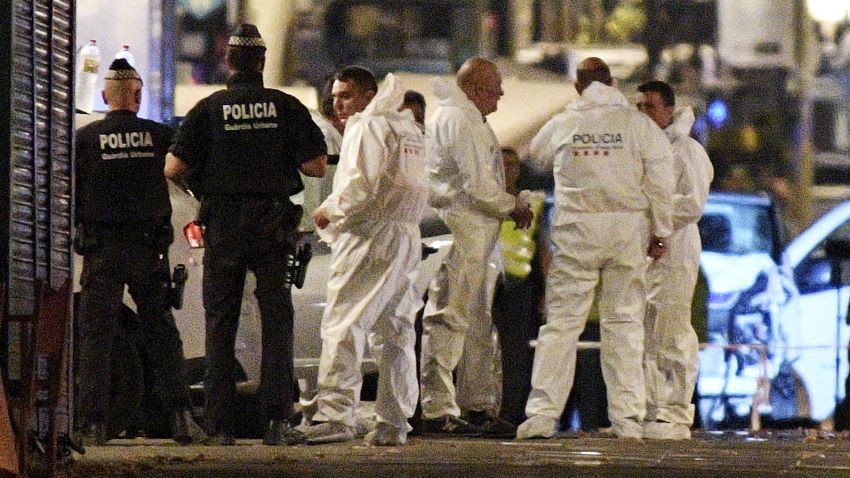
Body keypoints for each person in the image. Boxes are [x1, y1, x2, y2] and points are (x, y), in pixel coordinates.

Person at [164, 24, 328, 446]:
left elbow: (172, 170)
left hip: (223, 223)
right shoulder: (286, 107)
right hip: (272, 224)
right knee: (277, 320)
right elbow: (316, 166)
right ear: (262, 61)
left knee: (221, 322)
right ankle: (277, 421)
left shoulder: (208, 109)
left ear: (229, 61)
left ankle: (220, 426)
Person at [516, 57, 674, 440]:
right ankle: (627, 419)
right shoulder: (637, 126)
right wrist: (661, 230)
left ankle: (541, 415)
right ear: (613, 84)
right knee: (624, 324)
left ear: (577, 87)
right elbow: (661, 179)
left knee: (562, 325)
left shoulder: (565, 122)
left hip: (576, 236)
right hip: (626, 233)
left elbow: (535, 154)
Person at [75, 58, 204, 446]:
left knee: (96, 336)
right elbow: (184, 176)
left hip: (102, 250)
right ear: (137, 95)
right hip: (148, 249)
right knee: (162, 333)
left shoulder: (85, 139)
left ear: (103, 97)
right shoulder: (159, 135)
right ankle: (181, 418)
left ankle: (93, 423)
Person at [304, 66, 429, 446]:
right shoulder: (407, 127)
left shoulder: (368, 125)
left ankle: (335, 414)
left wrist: (329, 210)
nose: (339, 104)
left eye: (347, 95)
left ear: (368, 94)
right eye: (336, 96)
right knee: (395, 330)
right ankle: (394, 420)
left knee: (344, 323)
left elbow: (363, 184)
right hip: (405, 235)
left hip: (369, 234)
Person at [419, 57, 533, 437]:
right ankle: (438, 408)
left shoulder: (467, 119)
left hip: (476, 233)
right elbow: (475, 186)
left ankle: (476, 404)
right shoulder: (460, 120)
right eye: (496, 85)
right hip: (461, 230)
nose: (501, 93)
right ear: (477, 88)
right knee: (449, 318)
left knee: (475, 324)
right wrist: (512, 205)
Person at [636, 80, 713, 440]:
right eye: (640, 106)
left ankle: (676, 410)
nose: (644, 113)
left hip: (676, 245)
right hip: (647, 246)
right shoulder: (642, 150)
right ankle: (652, 407)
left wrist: (658, 223)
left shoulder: (687, 151)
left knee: (672, 326)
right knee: (647, 330)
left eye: (651, 106)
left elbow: (693, 203)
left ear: (669, 110)